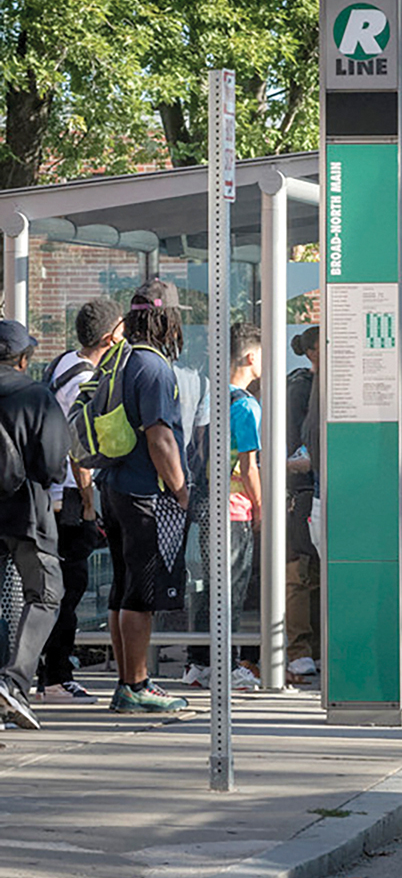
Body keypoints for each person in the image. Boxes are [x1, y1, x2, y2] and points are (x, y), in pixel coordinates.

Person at [102, 277, 190, 715]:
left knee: (123, 589)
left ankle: (127, 681)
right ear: (166, 320)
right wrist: (181, 490)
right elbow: (161, 438)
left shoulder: (120, 360)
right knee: (142, 592)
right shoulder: (155, 368)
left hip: (115, 487)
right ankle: (136, 685)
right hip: (146, 495)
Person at [37, 298, 124, 703]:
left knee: (57, 588)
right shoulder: (86, 379)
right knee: (69, 589)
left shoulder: (63, 364)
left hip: (52, 495)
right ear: (109, 337)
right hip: (69, 499)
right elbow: (80, 449)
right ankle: (56, 677)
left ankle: (48, 673)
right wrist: (89, 505)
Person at [183, 322, 263, 691]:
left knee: (208, 589)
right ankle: (227, 665)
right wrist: (261, 508)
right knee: (232, 590)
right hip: (234, 509)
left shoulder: (208, 397)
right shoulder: (246, 405)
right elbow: (248, 467)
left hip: (205, 506)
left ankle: (199, 662)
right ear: (249, 357)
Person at [0, 320, 70, 731]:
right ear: (23, 359)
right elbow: (53, 465)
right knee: (45, 594)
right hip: (26, 513)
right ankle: (13, 682)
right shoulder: (37, 396)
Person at [284, 326, 320, 682]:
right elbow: (294, 440)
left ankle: (316, 647)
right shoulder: (300, 387)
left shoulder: (324, 384)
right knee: (299, 571)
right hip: (302, 487)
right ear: (311, 352)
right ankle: (299, 650)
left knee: (319, 573)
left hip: (319, 486)